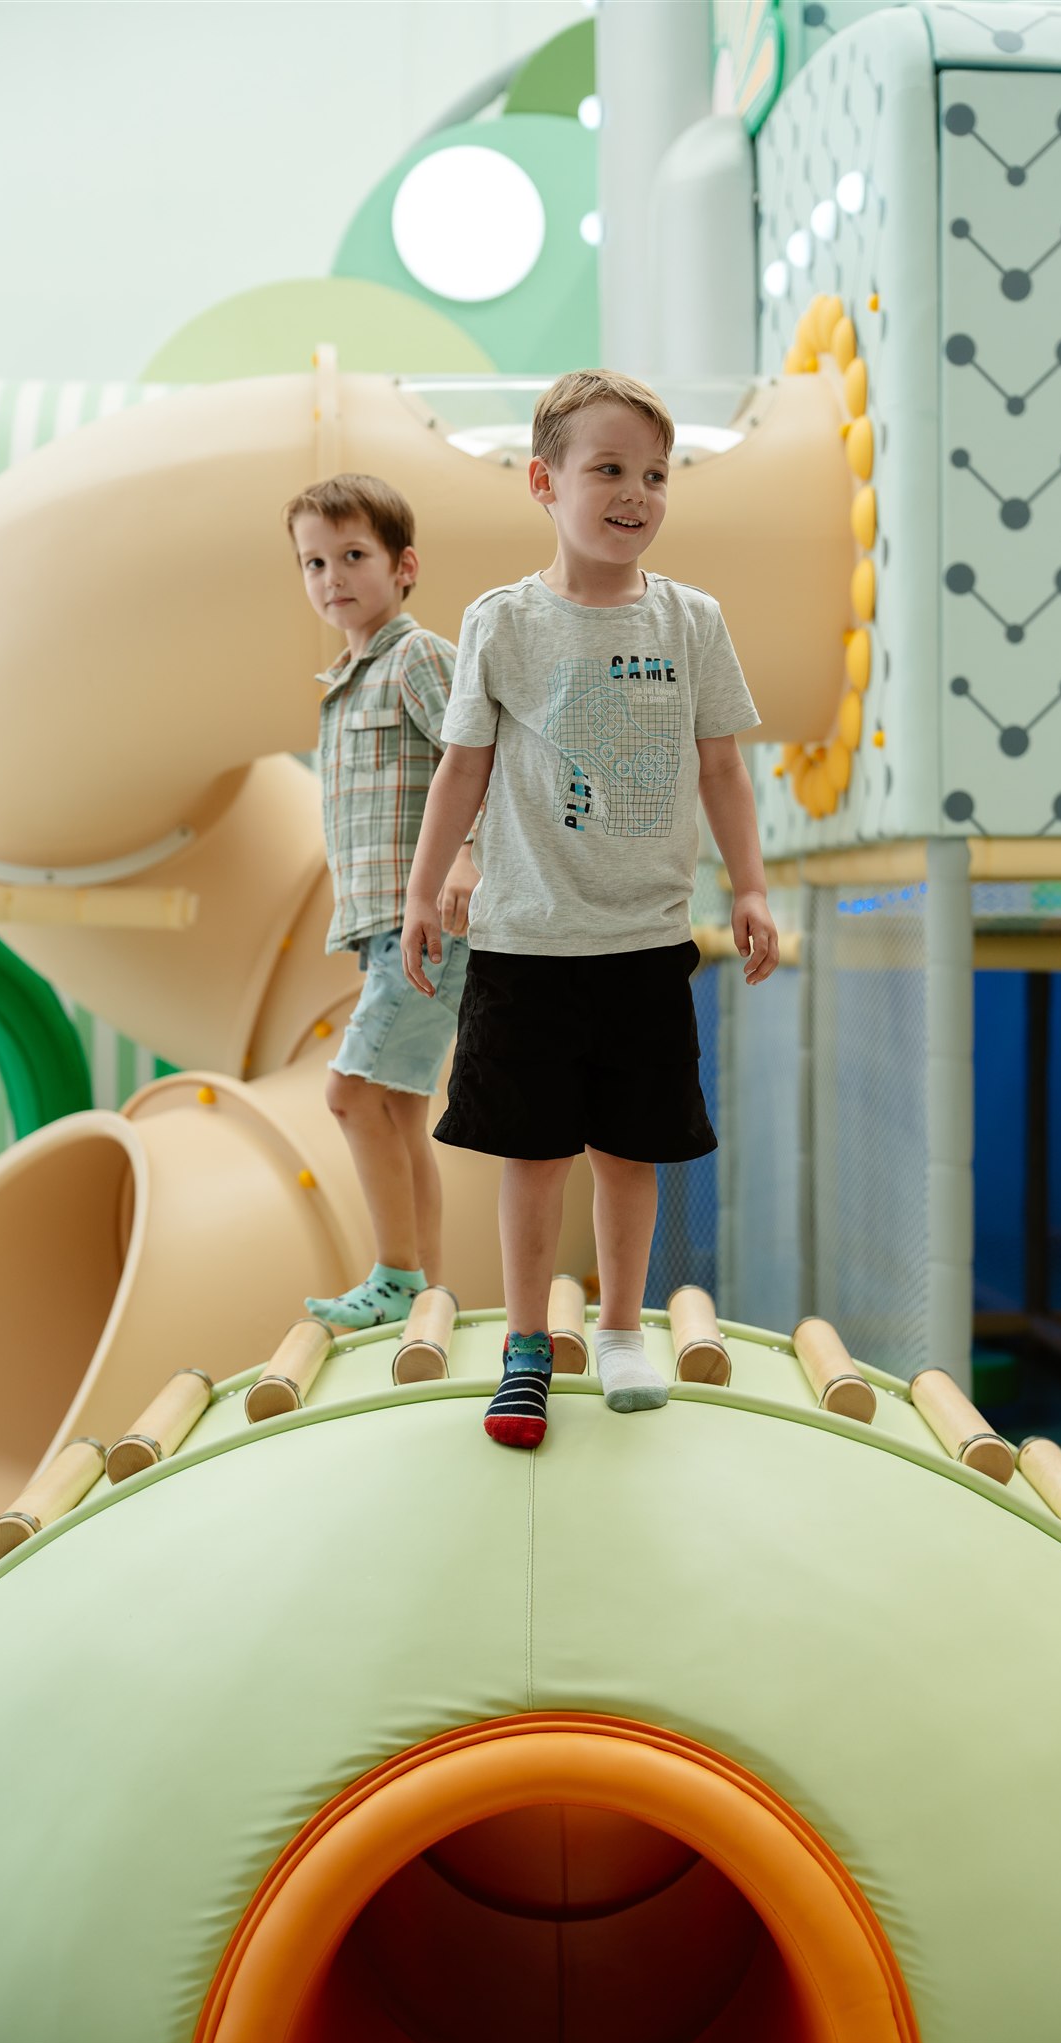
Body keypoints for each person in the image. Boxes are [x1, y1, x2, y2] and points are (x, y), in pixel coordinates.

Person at [400, 370, 778, 1446]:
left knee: (631, 1147)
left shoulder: (691, 620)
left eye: (654, 474)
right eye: (607, 468)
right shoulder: (503, 622)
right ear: (543, 480)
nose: (634, 492)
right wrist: (425, 890)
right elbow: (461, 770)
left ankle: (617, 1325)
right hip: (527, 937)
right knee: (535, 1152)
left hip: (647, 938)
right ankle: (527, 1344)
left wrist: (748, 884)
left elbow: (723, 769)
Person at [284, 473, 479, 1328]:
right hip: (383, 930)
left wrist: (465, 860)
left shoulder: (417, 657)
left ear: (403, 567)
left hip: (428, 920)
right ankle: (426, 1288)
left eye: (352, 555)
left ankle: (396, 1277)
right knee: (398, 1105)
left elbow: (476, 759)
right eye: (314, 562)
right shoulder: (343, 681)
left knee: (349, 1093)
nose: (333, 577)